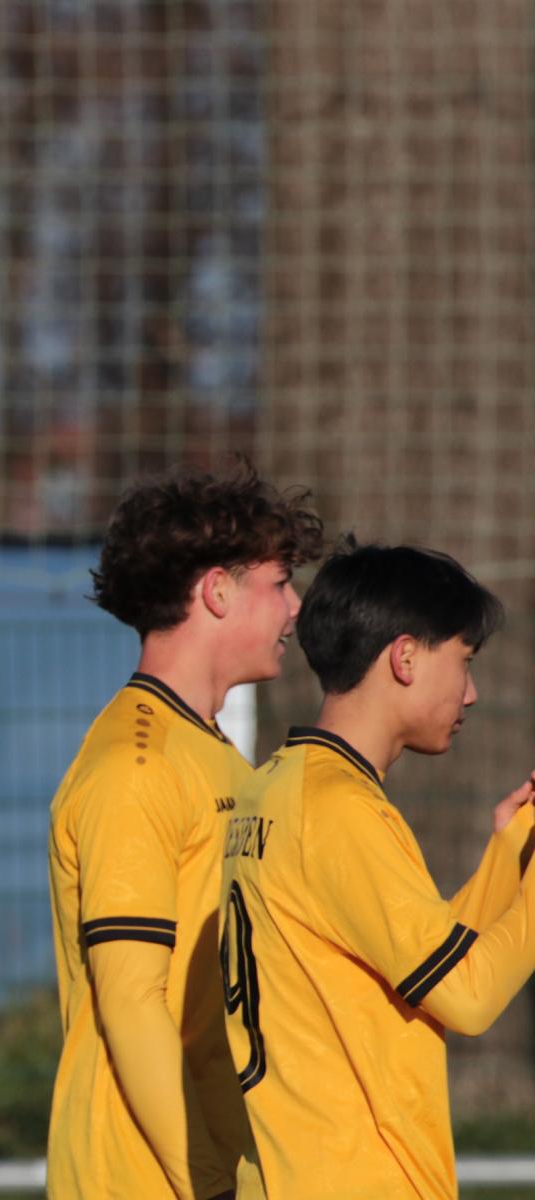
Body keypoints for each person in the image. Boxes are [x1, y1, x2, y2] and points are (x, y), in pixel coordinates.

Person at [222, 541, 535, 1198]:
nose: (472, 692)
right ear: (405, 657)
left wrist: (511, 855)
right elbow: (469, 998)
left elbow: (425, 969)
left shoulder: (276, 787)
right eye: (464, 662)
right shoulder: (340, 810)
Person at [47, 466, 323, 1199]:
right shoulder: (135, 766)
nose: (295, 607)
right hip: (144, 1180)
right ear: (218, 590)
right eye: (280, 583)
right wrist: (208, 1182)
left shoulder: (208, 750)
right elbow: (132, 1001)